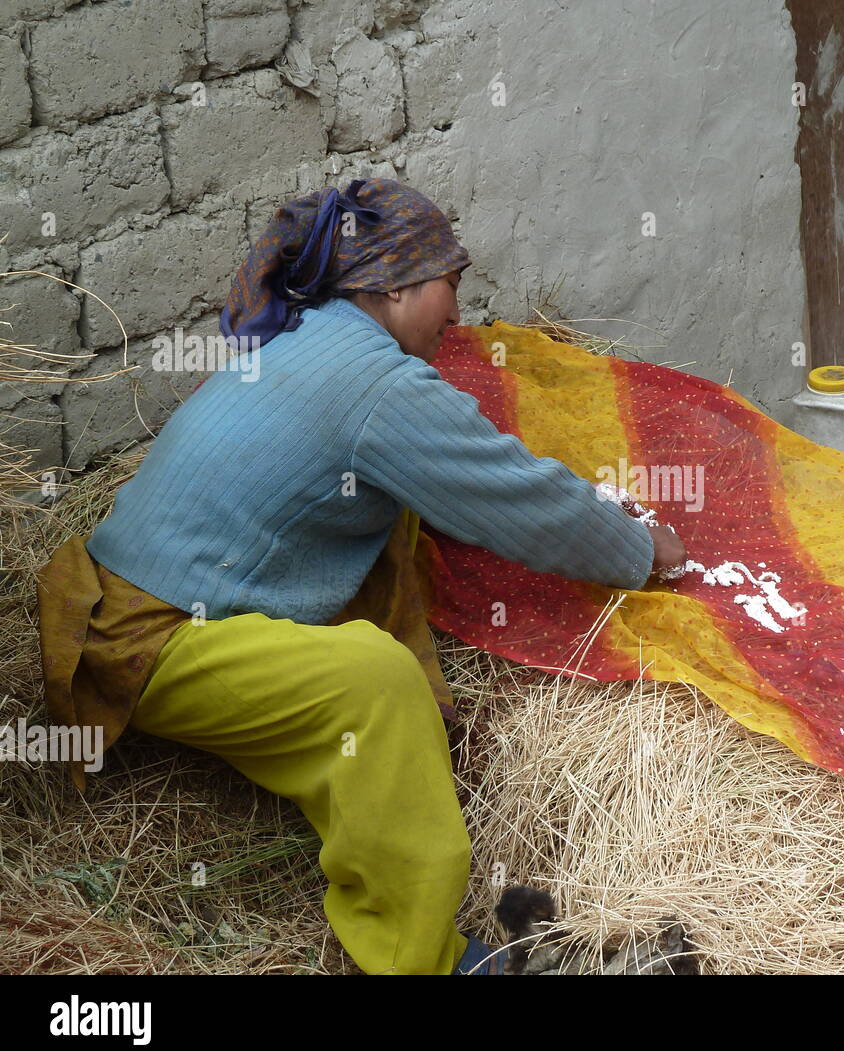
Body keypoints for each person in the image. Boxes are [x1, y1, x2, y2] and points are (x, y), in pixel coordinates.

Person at [35, 177, 686, 975]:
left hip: (139, 601)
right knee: (373, 682)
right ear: (395, 284)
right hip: (155, 640)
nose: (457, 310)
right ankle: (425, 957)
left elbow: (459, 482)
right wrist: (637, 546)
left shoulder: (314, 339)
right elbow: (520, 497)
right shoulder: (376, 385)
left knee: (390, 541)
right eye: (451, 282)